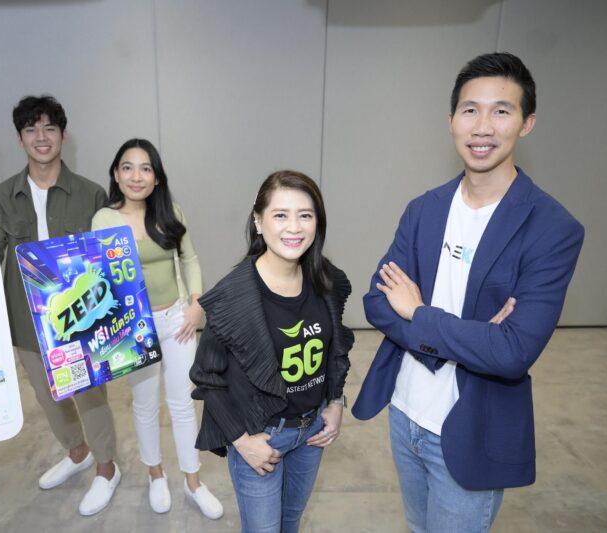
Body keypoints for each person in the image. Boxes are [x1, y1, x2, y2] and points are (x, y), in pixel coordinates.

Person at [352, 52, 584, 532]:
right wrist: (475, 336)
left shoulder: (553, 229)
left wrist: (418, 313)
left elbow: (512, 352)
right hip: (404, 411)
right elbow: (377, 301)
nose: (482, 127)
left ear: (527, 123)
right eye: (470, 110)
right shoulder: (424, 209)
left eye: (501, 111)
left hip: (471, 427)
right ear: (451, 120)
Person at [0, 95, 121, 517]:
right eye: (31, 129)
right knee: (48, 395)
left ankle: (107, 467)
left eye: (49, 128)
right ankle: (77, 453)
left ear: (63, 135)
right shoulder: (0, 196)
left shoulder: (91, 194)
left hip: (80, 318)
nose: (41, 137)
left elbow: (108, 257)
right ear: (20, 138)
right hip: (26, 319)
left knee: (90, 394)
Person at [190, 171, 354, 533]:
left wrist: (335, 401)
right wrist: (241, 441)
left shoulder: (326, 281)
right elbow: (206, 376)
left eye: (305, 215)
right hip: (262, 437)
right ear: (258, 220)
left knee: (290, 521)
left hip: (312, 432)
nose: (294, 227)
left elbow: (335, 349)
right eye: (281, 215)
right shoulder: (232, 297)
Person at [90, 138, 223, 519]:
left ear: (157, 177)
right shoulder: (104, 219)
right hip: (135, 328)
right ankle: (156, 475)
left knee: (183, 403)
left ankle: (193, 482)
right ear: (116, 175)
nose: (136, 176)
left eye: (145, 168)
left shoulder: (170, 212)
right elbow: (98, 278)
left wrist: (196, 304)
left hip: (177, 320)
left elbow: (190, 258)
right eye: (127, 167)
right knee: (146, 405)